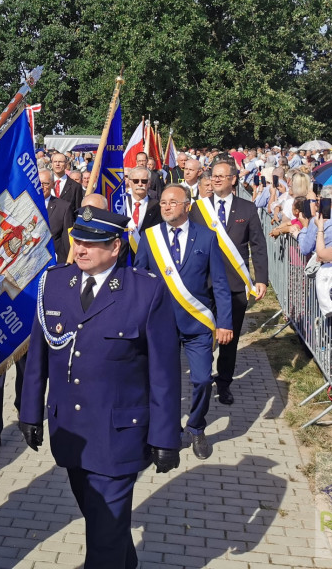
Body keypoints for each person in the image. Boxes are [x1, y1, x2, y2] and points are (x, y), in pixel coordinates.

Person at [20, 206, 181, 569]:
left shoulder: (146, 291)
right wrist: (29, 412)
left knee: (103, 538)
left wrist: (166, 436)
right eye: (78, 241)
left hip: (118, 436)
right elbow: (39, 354)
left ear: (116, 247)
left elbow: (165, 374)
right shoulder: (56, 283)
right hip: (71, 433)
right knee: (103, 522)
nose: (80, 250)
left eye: (92, 244)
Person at [133, 185, 232, 459]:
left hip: (197, 324)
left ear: (187, 205)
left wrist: (225, 323)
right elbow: (139, 280)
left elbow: (221, 284)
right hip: (161, 324)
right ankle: (168, 431)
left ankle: (197, 427)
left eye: (172, 202)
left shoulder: (207, 237)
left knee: (201, 380)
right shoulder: (150, 237)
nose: (166, 207)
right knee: (164, 382)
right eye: (163, 202)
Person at [188, 160, 268, 405]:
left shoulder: (247, 208)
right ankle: (200, 380)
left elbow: (258, 245)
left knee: (229, 339)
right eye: (214, 176)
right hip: (204, 284)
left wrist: (261, 279)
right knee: (202, 334)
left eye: (223, 176)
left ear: (234, 179)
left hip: (235, 285)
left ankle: (224, 383)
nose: (217, 179)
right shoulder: (198, 209)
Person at [39, 169, 73, 264]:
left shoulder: (64, 207)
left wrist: (67, 263)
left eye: (45, 184)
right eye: (39, 183)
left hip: (53, 260)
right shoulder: (26, 204)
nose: (41, 187)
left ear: (53, 184)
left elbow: (67, 238)